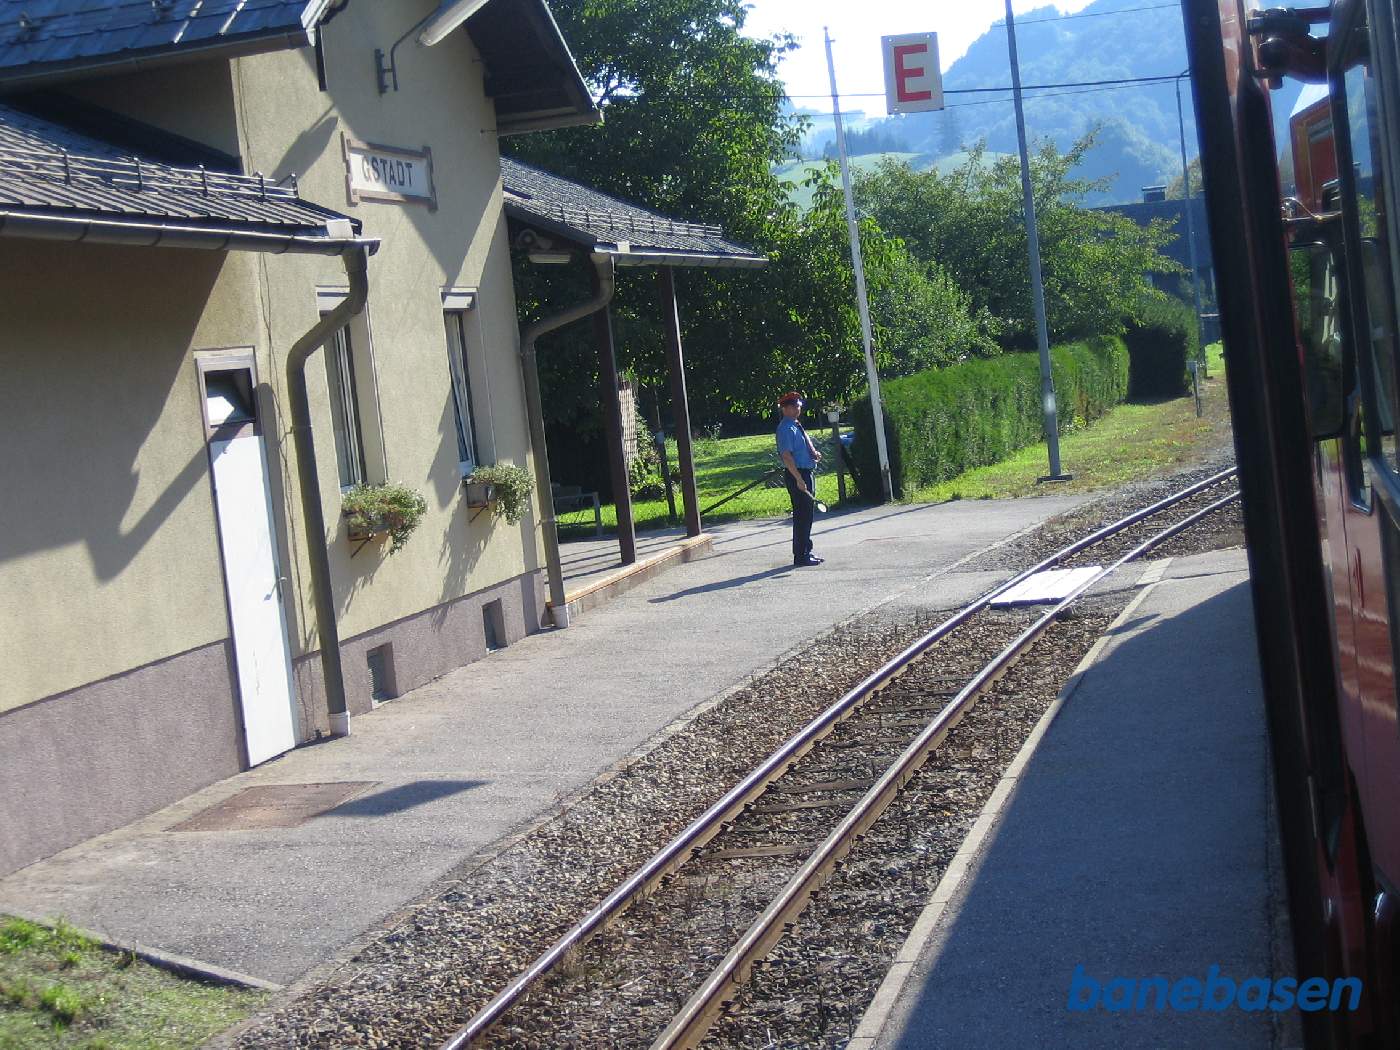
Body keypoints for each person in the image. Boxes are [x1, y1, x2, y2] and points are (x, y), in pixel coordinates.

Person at [776, 392, 823, 566]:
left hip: (805, 472)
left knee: (807, 514)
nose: (798, 409)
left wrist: (814, 454)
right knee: (802, 515)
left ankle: (806, 550)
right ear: (785, 408)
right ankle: (801, 555)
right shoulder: (786, 428)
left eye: (799, 406)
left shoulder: (795, 426)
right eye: (794, 406)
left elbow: (800, 449)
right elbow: (787, 456)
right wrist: (798, 479)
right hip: (797, 474)